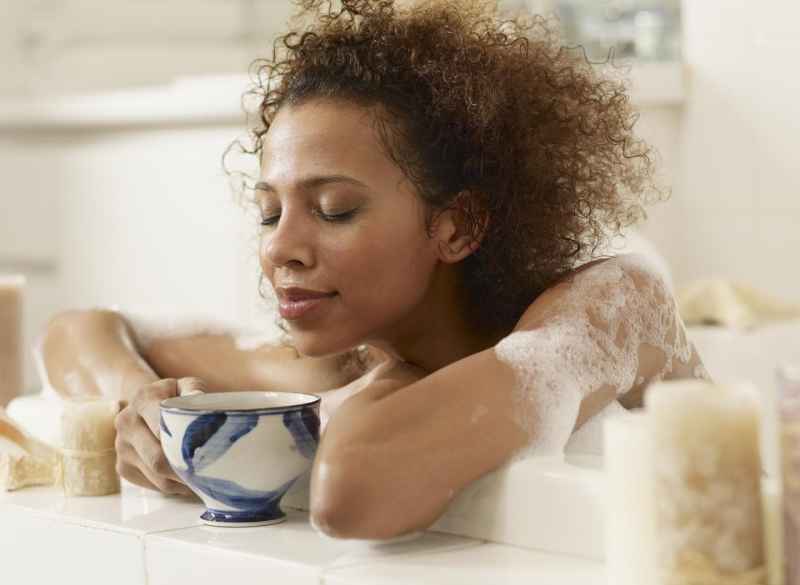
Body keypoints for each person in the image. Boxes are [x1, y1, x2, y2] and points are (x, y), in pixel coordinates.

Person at [37, 0, 708, 540]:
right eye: (271, 213)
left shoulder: (613, 306)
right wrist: (139, 406)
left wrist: (394, 376)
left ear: (459, 225)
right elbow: (79, 332)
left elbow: (350, 493)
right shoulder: (340, 363)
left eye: (333, 210)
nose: (278, 250)